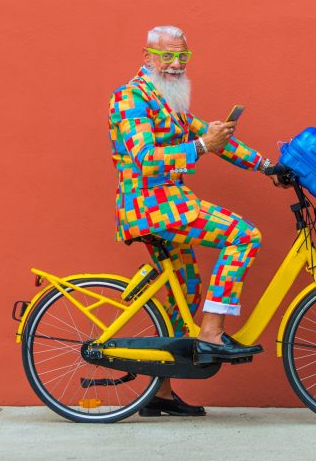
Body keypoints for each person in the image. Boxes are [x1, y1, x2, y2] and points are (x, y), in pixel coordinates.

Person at [108, 25, 286, 417]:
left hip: (169, 202)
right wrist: (202, 146)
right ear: (147, 57)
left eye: (182, 57)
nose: (175, 64)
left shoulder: (169, 101)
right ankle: (212, 332)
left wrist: (267, 166)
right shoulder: (130, 98)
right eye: (167, 56)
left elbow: (213, 136)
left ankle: (161, 393)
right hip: (149, 204)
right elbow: (144, 157)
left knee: (185, 290)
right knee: (243, 235)